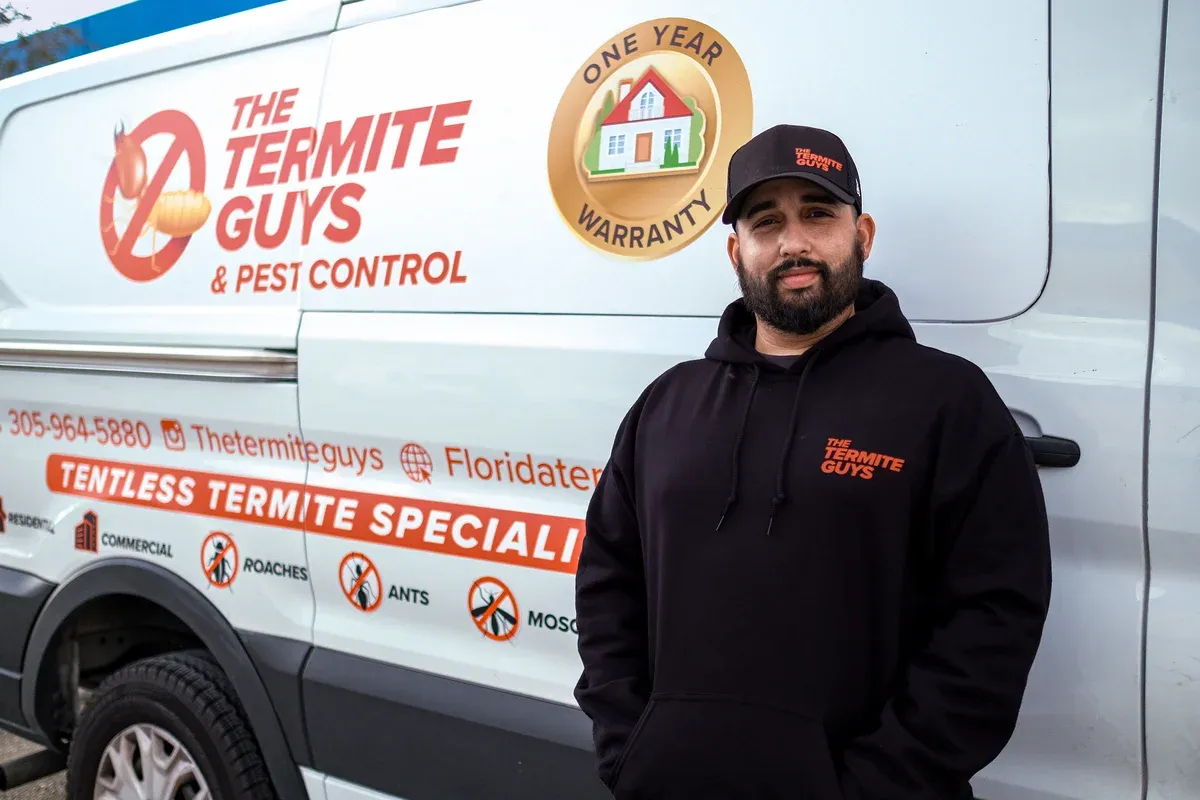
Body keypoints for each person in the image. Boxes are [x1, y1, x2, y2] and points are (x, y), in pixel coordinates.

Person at [573, 123, 1052, 800]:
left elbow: (993, 616)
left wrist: (881, 784)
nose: (794, 242)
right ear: (737, 251)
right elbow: (608, 582)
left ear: (863, 236)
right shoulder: (667, 405)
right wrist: (629, 745)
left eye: (818, 214)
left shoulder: (946, 401)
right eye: (767, 221)